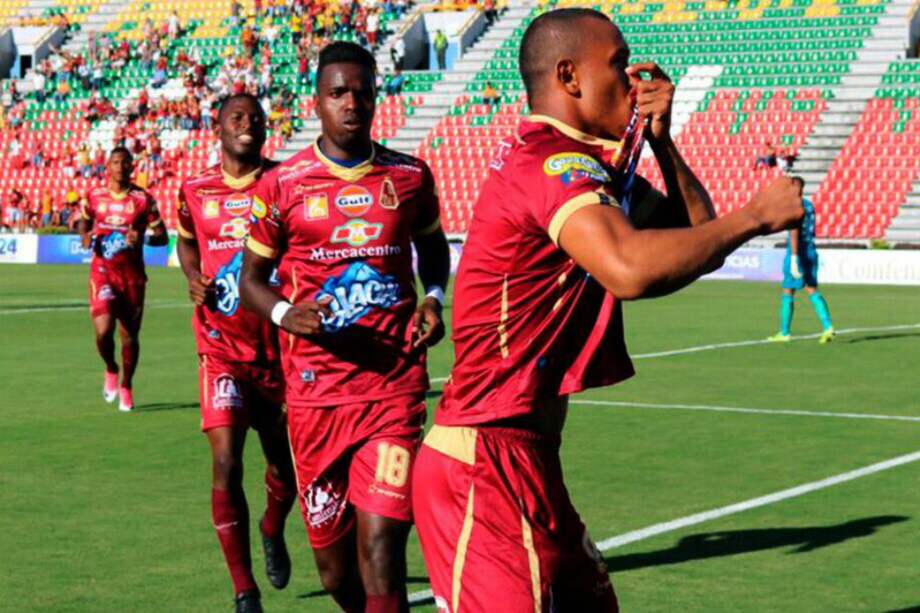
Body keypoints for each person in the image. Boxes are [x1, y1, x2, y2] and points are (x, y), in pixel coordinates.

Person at [410, 9, 804, 612]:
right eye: (618, 63)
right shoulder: (548, 163)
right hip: (483, 463)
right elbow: (630, 269)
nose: (633, 77)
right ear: (569, 76)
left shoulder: (589, 168)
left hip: (529, 460)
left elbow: (696, 238)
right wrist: (755, 215)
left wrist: (663, 140)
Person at [239, 42, 450, 613]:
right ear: (318, 101)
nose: (351, 103)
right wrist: (287, 314)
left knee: (380, 544)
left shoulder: (409, 177)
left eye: (361, 91)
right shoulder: (282, 185)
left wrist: (432, 299)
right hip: (314, 399)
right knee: (336, 576)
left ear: (377, 96)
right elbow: (252, 281)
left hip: (393, 391)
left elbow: (434, 253)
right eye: (338, 93)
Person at [176, 94, 298, 613]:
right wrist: (192, 278)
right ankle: (244, 590)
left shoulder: (286, 184)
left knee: (286, 471)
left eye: (256, 119)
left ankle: (273, 527)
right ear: (217, 127)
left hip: (278, 353)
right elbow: (186, 241)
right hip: (220, 349)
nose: (248, 125)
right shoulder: (194, 189)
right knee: (226, 463)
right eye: (237, 118)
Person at [77, 148, 169, 412]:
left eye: (125, 162)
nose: (120, 166)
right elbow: (83, 222)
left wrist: (144, 239)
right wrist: (84, 236)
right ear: (107, 166)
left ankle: (127, 384)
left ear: (132, 167)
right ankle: (110, 367)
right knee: (104, 331)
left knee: (129, 337)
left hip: (132, 278)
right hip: (102, 271)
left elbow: (162, 236)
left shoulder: (143, 199)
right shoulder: (94, 196)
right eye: (115, 162)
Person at [768, 177, 835, 344]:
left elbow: (794, 232)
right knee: (812, 289)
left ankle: (784, 332)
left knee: (788, 290)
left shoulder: (794, 207)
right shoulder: (809, 205)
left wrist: (794, 257)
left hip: (797, 252)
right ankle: (828, 327)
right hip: (811, 249)